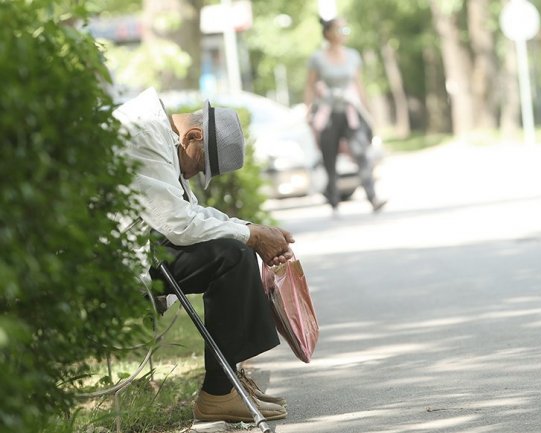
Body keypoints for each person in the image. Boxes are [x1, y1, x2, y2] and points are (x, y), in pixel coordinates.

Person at [113, 88, 292, 423]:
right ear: (193, 136)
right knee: (232, 256)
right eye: (199, 167)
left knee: (235, 251)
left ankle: (226, 384)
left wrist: (251, 228)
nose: (193, 176)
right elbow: (179, 223)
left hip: (144, 246)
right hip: (120, 260)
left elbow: (190, 212)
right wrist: (251, 235)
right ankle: (217, 393)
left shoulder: (164, 137)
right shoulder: (145, 134)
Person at [304, 16, 387, 216]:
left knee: (361, 152)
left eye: (345, 30)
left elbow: (359, 85)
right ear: (328, 34)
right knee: (329, 158)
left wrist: (368, 111)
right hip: (328, 113)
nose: (344, 34)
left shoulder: (353, 56)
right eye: (340, 30)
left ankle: (372, 197)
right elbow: (310, 86)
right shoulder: (318, 58)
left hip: (350, 111)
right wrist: (307, 111)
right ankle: (334, 201)